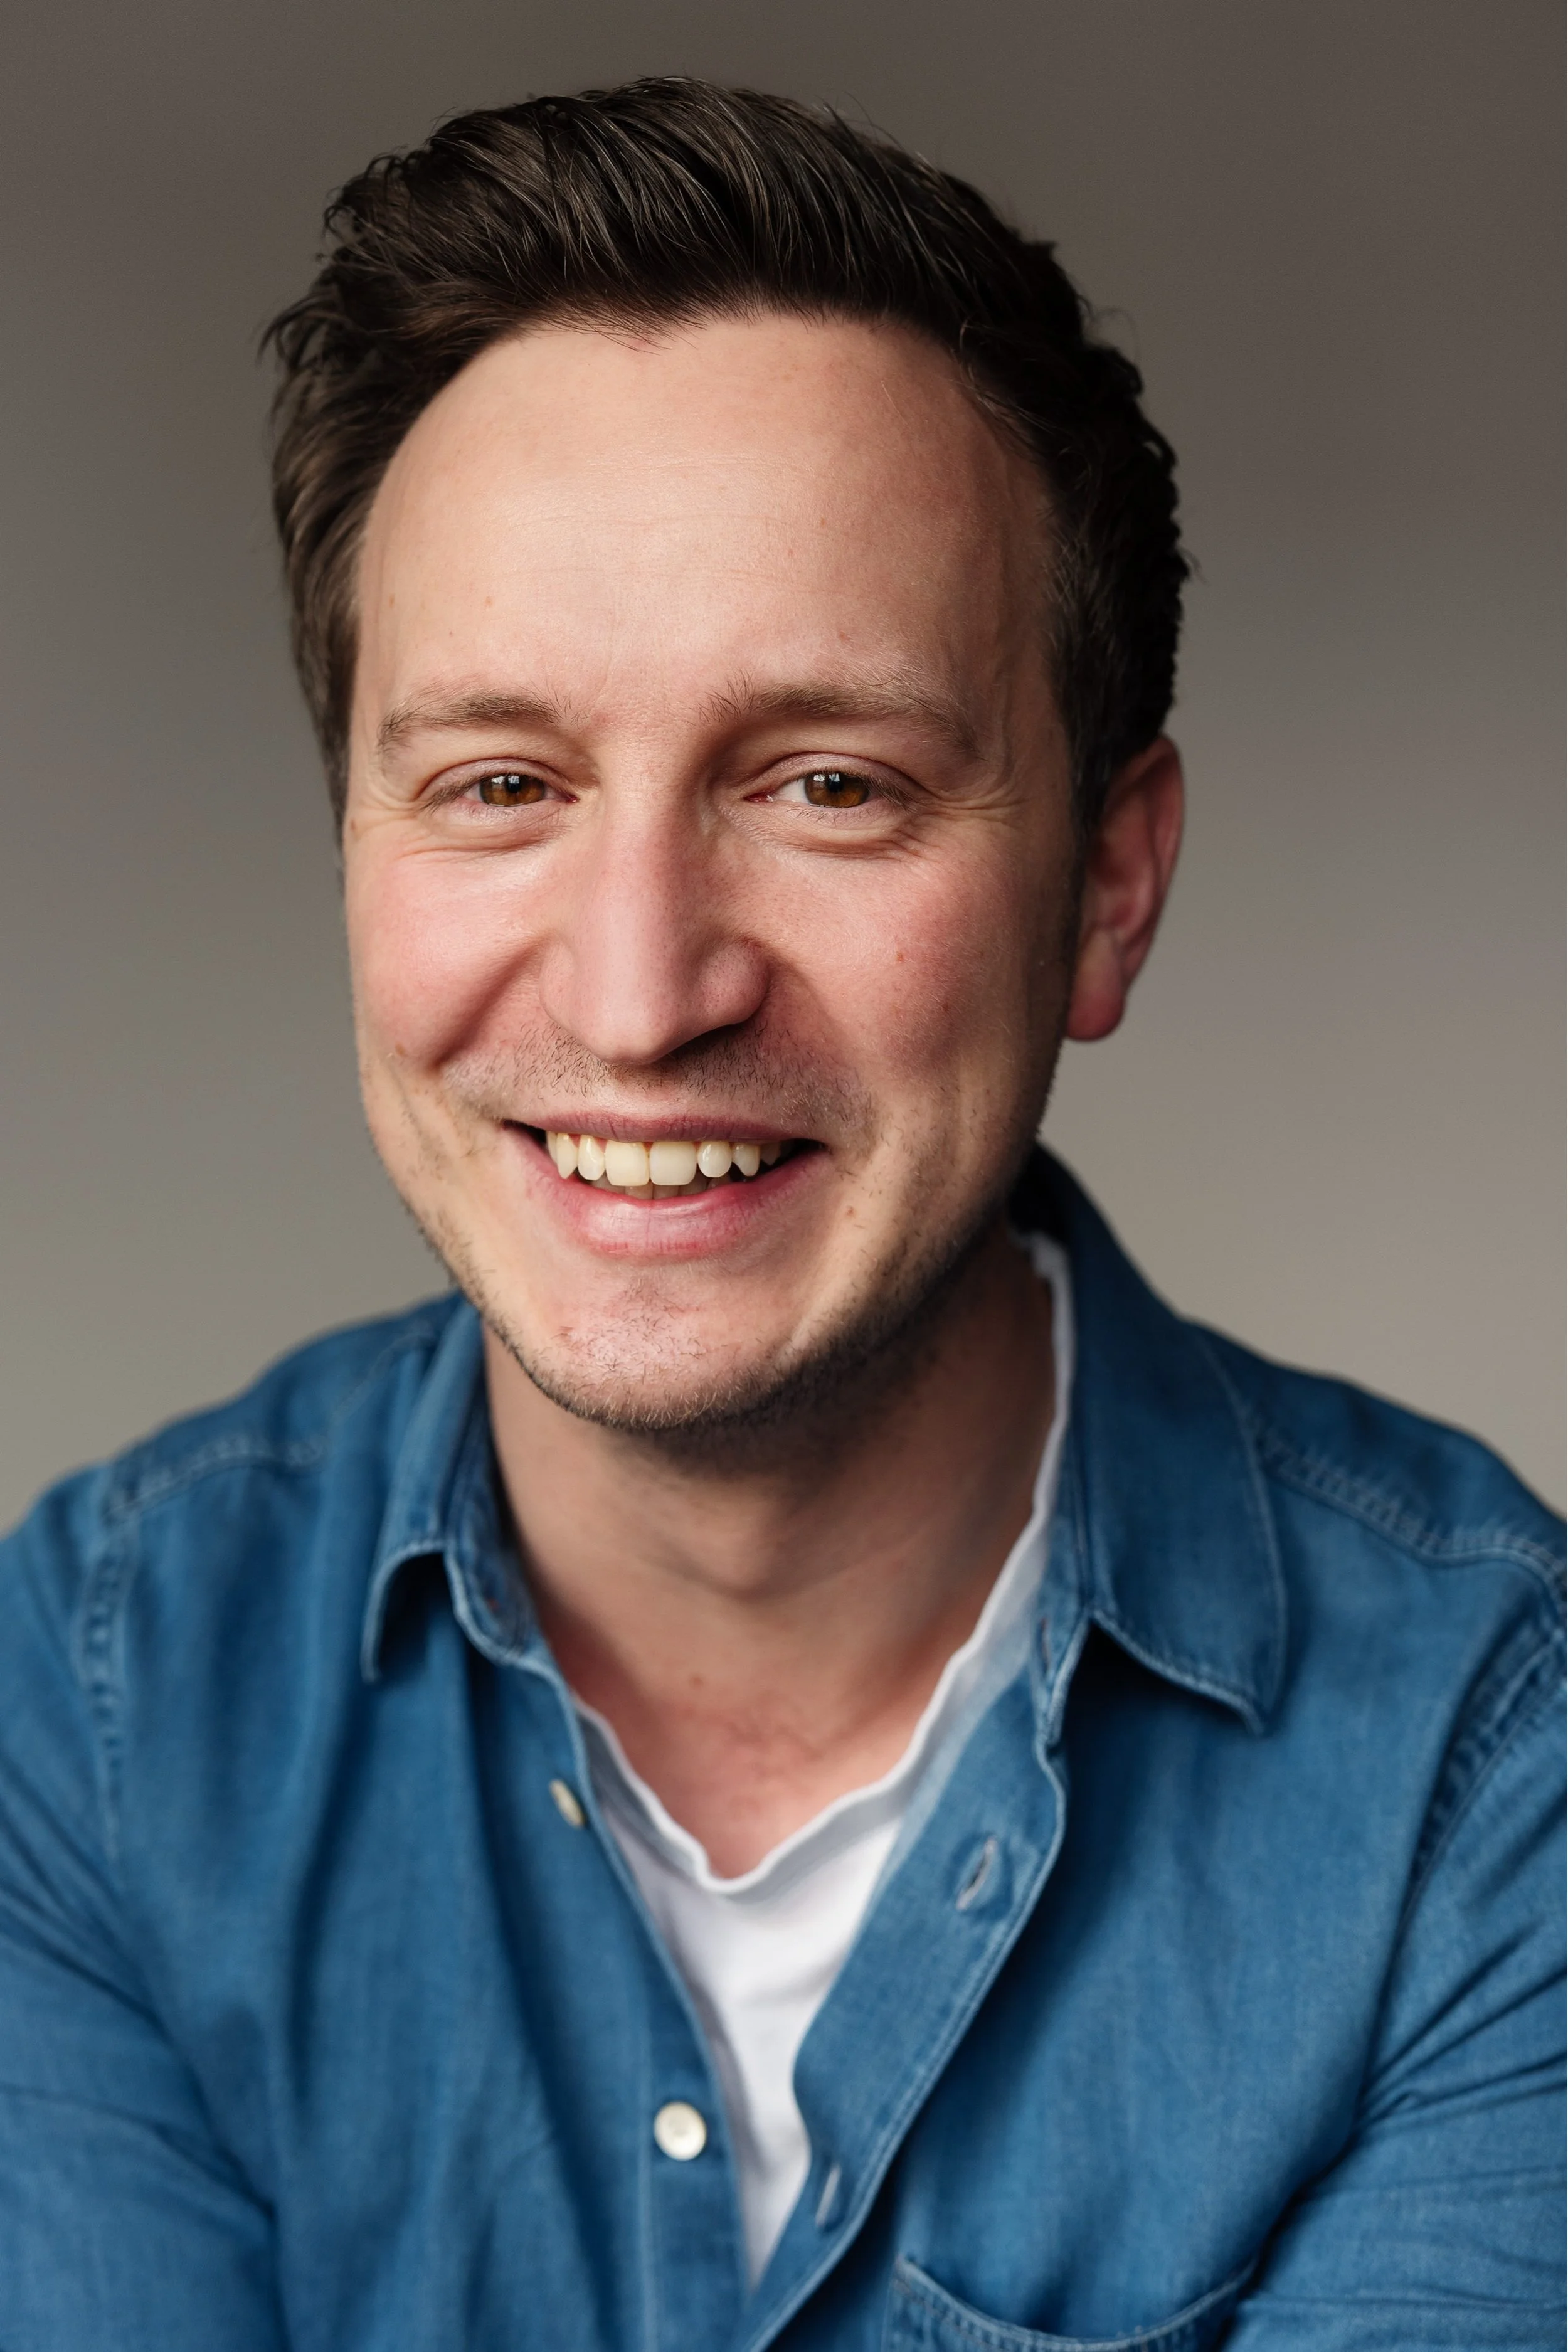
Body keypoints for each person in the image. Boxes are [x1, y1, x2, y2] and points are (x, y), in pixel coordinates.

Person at [0, 77, 1560, 2352]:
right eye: (499, 786)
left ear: (1107, 889)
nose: (641, 993)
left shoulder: (1491, 1779)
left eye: (827, 784)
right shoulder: (93, 1710)